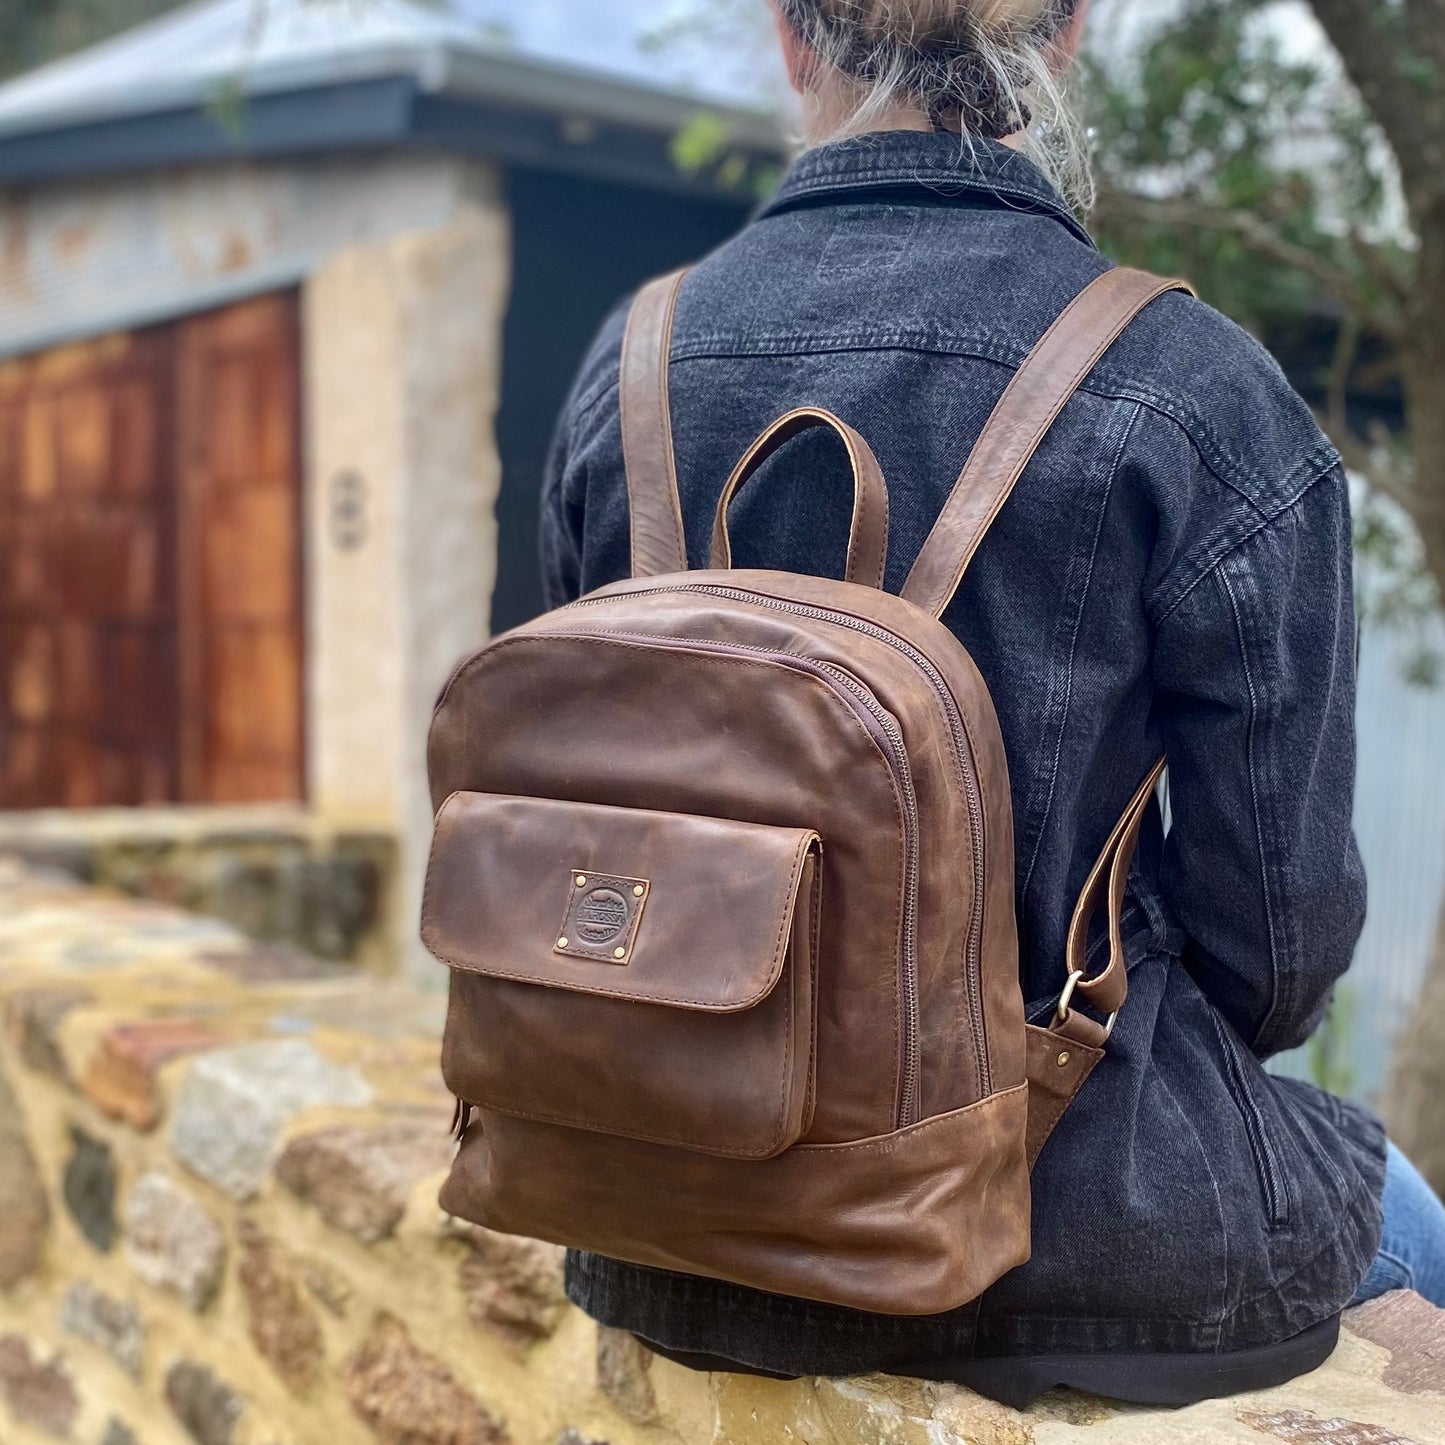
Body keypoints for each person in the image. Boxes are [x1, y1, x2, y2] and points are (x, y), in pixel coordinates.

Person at [538, 0, 1445, 1404]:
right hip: (1057, 1227)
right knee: (1411, 1225)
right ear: (1065, 40)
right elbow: (1275, 955)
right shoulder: (1195, 392)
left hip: (657, 1202)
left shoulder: (632, 365)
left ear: (792, 41)